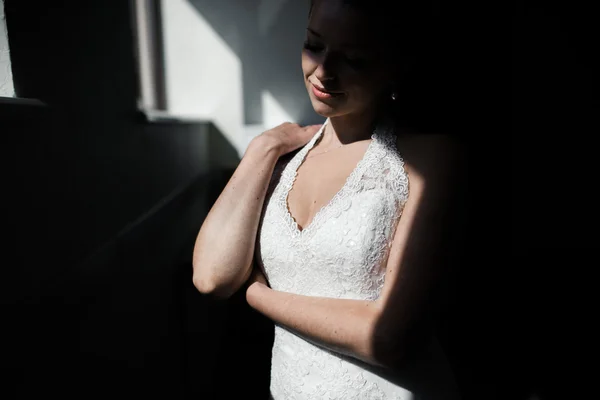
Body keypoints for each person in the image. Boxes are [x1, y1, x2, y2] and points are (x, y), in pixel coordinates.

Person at [192, 0, 465, 398]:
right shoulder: (283, 158)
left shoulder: (430, 159)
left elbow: (388, 339)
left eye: (353, 59)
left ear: (397, 65)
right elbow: (211, 277)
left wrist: (256, 293)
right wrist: (263, 148)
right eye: (315, 46)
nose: (323, 71)